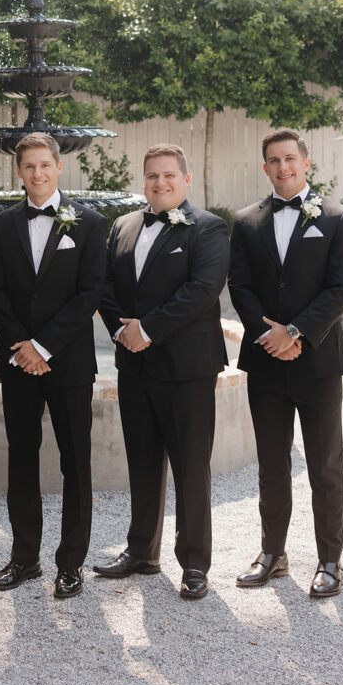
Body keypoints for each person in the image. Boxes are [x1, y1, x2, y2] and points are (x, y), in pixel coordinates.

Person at [229, 130, 343, 598]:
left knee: (325, 465)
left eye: (290, 158)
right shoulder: (245, 222)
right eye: (273, 160)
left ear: (306, 162)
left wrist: (297, 332)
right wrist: (270, 337)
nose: (282, 167)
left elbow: (340, 289)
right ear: (264, 167)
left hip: (318, 362)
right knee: (271, 464)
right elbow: (239, 286)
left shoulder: (339, 218)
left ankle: (329, 561)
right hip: (266, 362)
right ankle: (273, 554)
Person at [96, 143, 229, 600]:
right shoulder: (123, 226)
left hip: (188, 369)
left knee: (192, 467)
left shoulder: (208, 228)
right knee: (143, 463)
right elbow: (106, 287)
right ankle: (142, 551)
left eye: (169, 175)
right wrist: (122, 331)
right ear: (144, 180)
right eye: (152, 175)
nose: (160, 182)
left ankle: (194, 562)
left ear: (185, 180)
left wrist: (147, 329)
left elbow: (203, 290)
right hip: (134, 366)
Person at [0, 132, 107, 599]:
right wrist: (23, 347)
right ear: (19, 172)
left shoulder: (91, 223)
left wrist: (45, 346)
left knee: (76, 461)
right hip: (19, 363)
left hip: (69, 362)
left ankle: (71, 562)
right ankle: (24, 557)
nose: (37, 173)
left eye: (44, 165)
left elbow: (89, 293)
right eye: (28, 166)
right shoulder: (3, 223)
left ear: (58, 167)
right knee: (22, 459)